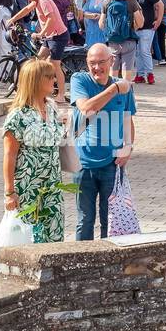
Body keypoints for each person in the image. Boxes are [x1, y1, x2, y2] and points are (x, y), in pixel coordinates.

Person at [70, 43, 135, 240]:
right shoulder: (79, 79)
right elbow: (87, 109)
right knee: (85, 220)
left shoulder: (124, 88)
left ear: (112, 61)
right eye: (92, 63)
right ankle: (82, 263)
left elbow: (128, 119)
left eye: (101, 62)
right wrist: (115, 88)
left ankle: (109, 266)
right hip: (83, 163)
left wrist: (128, 147)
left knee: (112, 219)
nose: (96, 68)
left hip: (112, 164)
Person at [2, 54, 67, 243]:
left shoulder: (52, 108)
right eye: (50, 77)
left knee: (54, 235)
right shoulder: (18, 116)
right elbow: (9, 155)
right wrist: (9, 192)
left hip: (52, 185)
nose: (54, 80)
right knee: (28, 237)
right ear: (37, 81)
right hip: (28, 186)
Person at [130, 0, 162, 85]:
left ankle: (149, 74)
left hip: (147, 27)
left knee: (144, 51)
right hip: (135, 28)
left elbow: (160, 4)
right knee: (138, 52)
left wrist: (158, 20)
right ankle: (140, 74)